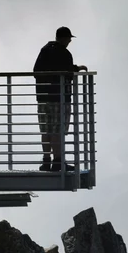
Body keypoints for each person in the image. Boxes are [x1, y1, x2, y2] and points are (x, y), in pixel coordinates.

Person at [33, 26, 86, 171]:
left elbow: (36, 71)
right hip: (59, 97)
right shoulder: (64, 53)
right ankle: (57, 162)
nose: (70, 41)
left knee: (46, 131)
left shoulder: (44, 50)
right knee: (57, 131)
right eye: (69, 38)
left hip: (43, 97)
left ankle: (46, 161)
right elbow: (67, 71)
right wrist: (76, 69)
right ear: (63, 38)